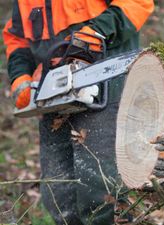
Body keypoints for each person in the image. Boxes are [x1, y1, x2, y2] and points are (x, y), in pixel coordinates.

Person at [2, 1, 154, 224]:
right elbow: (17, 37)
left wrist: (96, 32)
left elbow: (137, 3)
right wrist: (20, 77)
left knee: (101, 191)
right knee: (58, 194)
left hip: (104, 87)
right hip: (53, 95)